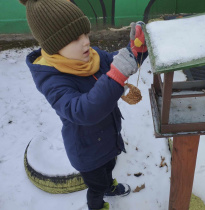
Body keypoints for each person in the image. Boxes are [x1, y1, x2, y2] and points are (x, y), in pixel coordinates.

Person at [19, 0, 148, 209]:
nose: (86, 42)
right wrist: (117, 74)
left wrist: (135, 49)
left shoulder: (92, 57)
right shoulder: (52, 80)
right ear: (54, 46)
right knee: (96, 185)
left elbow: (116, 62)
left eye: (85, 34)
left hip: (109, 137)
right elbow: (82, 110)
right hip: (87, 151)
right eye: (74, 39)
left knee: (109, 167)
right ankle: (97, 204)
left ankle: (109, 186)